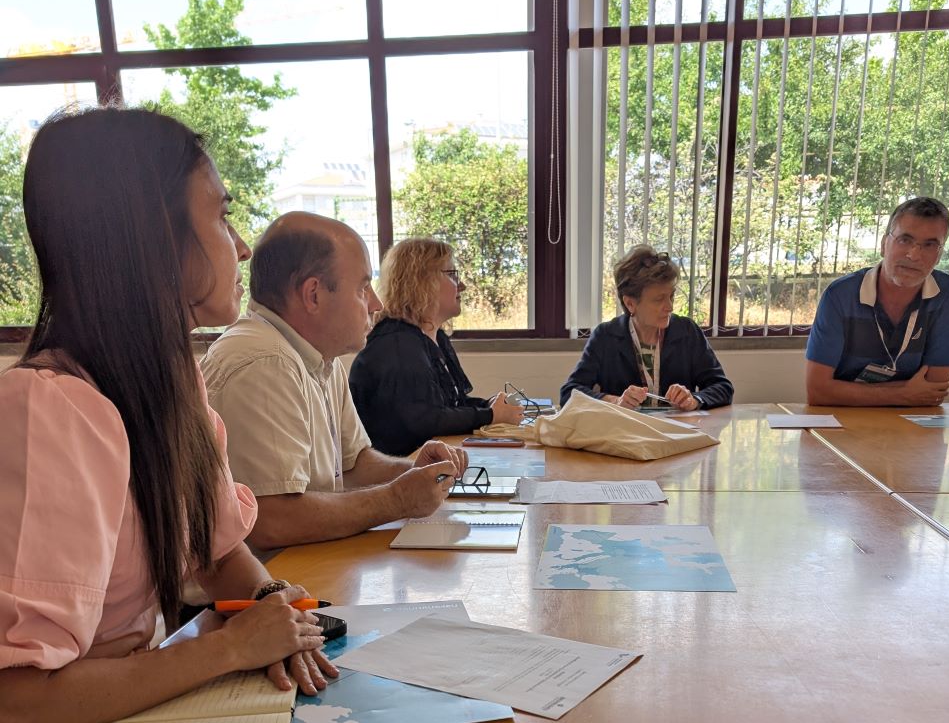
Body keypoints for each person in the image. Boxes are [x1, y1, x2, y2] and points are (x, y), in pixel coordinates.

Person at [0, 107, 337, 723]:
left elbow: (217, 551)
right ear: (154, 235)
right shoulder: (49, 410)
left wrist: (269, 601)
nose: (241, 246)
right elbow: (13, 705)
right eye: (221, 216)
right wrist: (229, 649)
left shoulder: (172, 383)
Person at [202, 215, 467, 550]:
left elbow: (353, 465)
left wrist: (414, 470)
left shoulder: (320, 357)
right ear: (313, 294)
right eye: (362, 288)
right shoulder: (264, 362)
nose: (377, 304)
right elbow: (271, 521)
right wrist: (397, 499)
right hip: (274, 576)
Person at [348, 238, 524, 457]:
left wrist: (489, 406)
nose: (462, 285)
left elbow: (451, 404)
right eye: (452, 275)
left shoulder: (433, 337)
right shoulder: (397, 346)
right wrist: (490, 415)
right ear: (422, 281)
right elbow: (425, 420)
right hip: (399, 470)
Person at [805, 196, 949, 408]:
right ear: (883, 244)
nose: (914, 255)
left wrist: (847, 391)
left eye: (929, 245)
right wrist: (903, 394)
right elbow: (817, 392)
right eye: (905, 240)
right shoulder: (840, 295)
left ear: (940, 254)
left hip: (910, 422)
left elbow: (933, 391)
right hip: (843, 418)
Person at [560, 246, 733, 410]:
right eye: (659, 299)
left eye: (671, 296)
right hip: (626, 429)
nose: (670, 307)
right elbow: (569, 393)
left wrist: (694, 399)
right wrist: (615, 401)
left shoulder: (687, 331)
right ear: (630, 303)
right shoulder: (605, 336)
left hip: (677, 429)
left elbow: (722, 387)